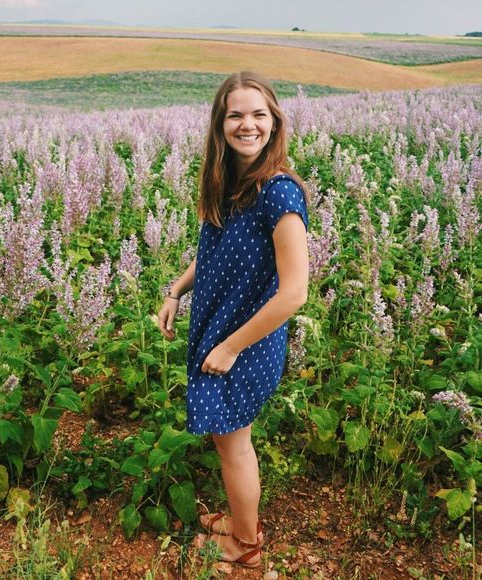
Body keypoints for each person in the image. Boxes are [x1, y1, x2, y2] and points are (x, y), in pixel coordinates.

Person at [157, 71, 310, 569]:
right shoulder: (230, 183)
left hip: (246, 342)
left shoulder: (279, 193)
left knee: (234, 447)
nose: (248, 124)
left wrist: (230, 347)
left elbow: (295, 293)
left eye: (259, 114)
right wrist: (176, 291)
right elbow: (214, 251)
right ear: (220, 124)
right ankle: (243, 521)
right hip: (220, 331)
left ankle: (245, 546)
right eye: (236, 115)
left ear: (275, 122)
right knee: (229, 442)